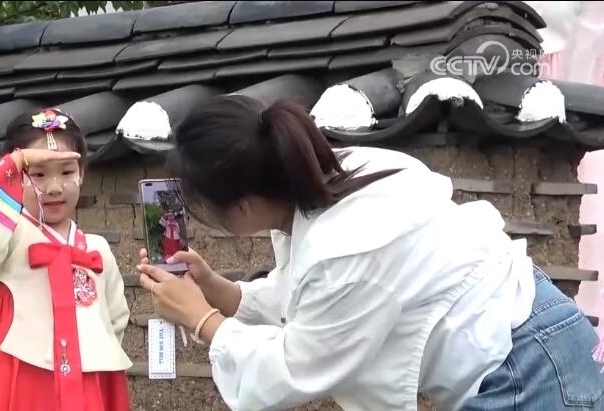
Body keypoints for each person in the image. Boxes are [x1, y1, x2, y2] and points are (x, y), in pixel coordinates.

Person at [136, 95, 604, 411]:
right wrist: (220, 292)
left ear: (240, 205)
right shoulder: (333, 180)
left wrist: (202, 320)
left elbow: (295, 368)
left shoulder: (342, 248)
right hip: (537, 344)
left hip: (531, 368)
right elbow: (310, 298)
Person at [0, 108, 132, 411]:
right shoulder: (7, 236)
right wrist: (17, 161)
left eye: (67, 172)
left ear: (82, 173)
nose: (53, 188)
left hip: (90, 380)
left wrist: (93, 356)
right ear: (16, 178)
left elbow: (115, 319)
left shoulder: (98, 249)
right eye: (37, 174)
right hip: (23, 380)